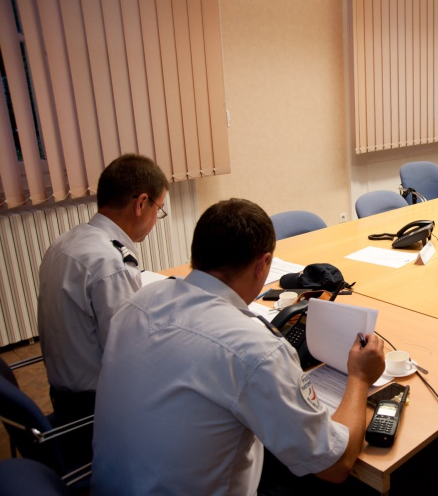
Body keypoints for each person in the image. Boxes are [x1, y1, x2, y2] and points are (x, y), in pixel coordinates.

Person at [91, 199, 385, 495]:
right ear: (263, 265)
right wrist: (359, 378)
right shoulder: (255, 350)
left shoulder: (136, 302)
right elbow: (335, 466)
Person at [37, 154, 168, 422]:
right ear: (142, 203)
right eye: (160, 209)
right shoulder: (110, 264)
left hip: (64, 394)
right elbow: (131, 356)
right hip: (96, 410)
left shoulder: (66, 242)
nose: (156, 220)